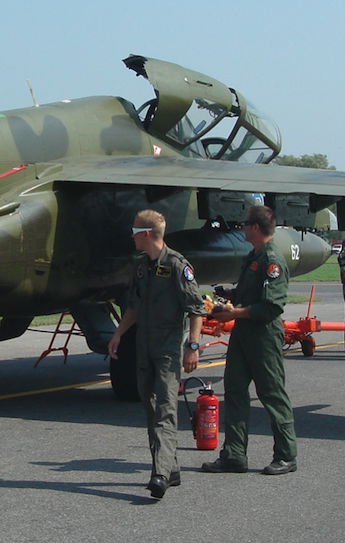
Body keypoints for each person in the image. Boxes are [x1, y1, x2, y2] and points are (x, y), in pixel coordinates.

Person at [107, 209, 204, 499]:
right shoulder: (140, 267)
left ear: (146, 234)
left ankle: (159, 474)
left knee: (165, 410)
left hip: (166, 350)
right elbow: (134, 308)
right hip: (143, 348)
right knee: (150, 410)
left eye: (134, 232)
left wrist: (193, 346)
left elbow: (196, 309)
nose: (132, 237)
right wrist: (118, 334)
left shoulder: (177, 265)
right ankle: (170, 468)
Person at [201, 204, 298, 476]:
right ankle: (234, 454)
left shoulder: (272, 262)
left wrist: (231, 314)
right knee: (233, 390)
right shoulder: (253, 256)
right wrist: (230, 296)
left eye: (245, 224)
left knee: (271, 393)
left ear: (255, 227)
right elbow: (250, 294)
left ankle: (286, 455)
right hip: (244, 332)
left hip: (263, 335)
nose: (241, 227)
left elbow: (271, 307)